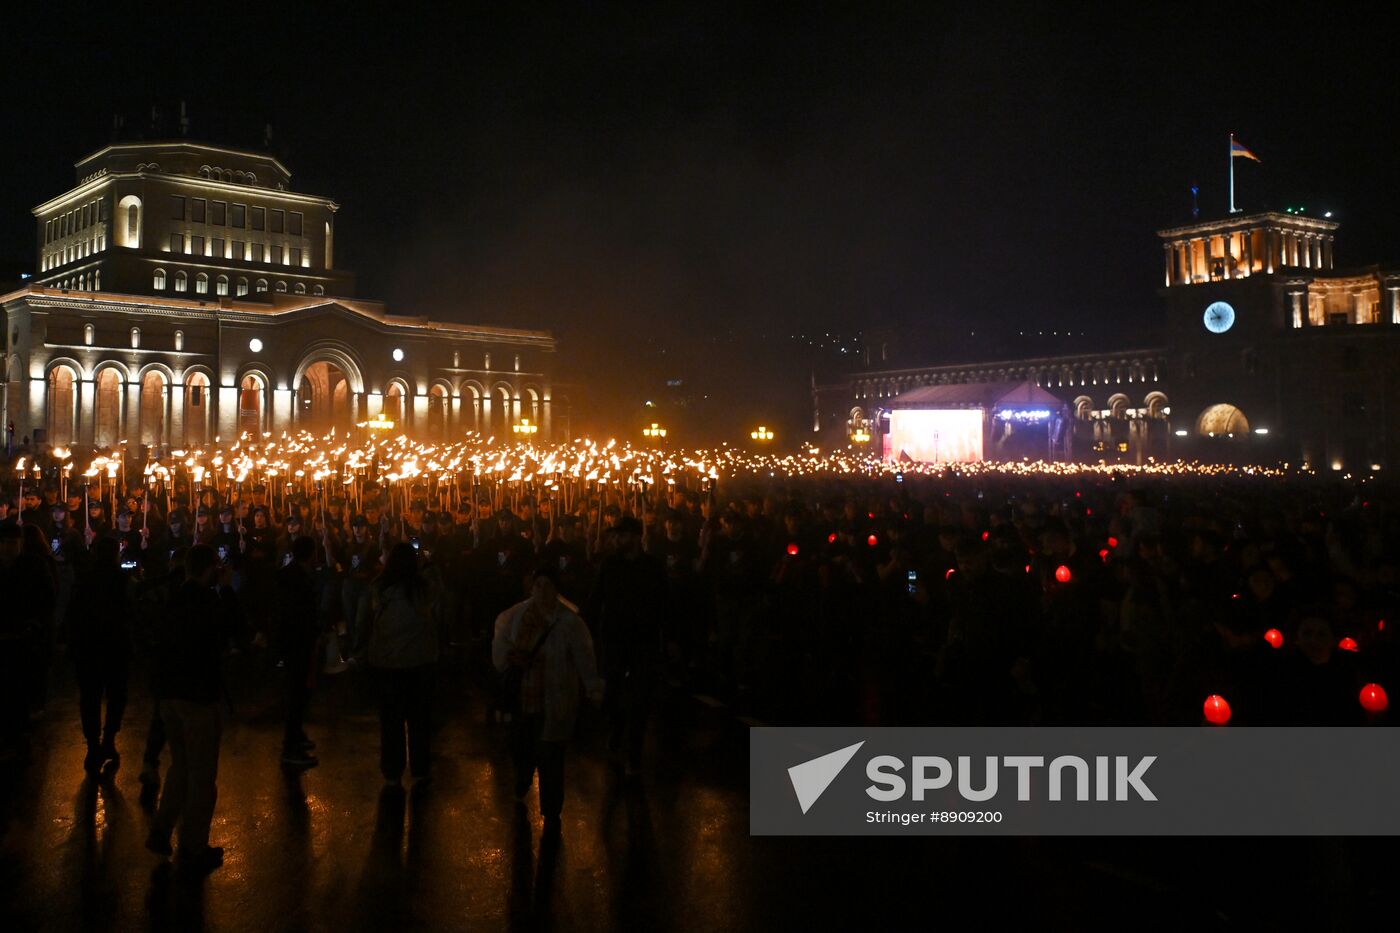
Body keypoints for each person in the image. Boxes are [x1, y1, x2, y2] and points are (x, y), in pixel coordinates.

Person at [146, 545, 238, 875]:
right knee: (201, 776)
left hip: (170, 694)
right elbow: (230, 627)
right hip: (198, 695)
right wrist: (227, 589)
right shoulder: (206, 601)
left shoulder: (172, 599)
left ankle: (161, 827)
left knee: (180, 766)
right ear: (210, 569)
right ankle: (193, 845)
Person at [493, 565, 604, 831]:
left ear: (557, 590)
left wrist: (592, 686)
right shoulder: (517, 616)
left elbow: (584, 657)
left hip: (556, 700)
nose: (543, 591)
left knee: (552, 756)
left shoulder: (569, 622)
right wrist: (509, 658)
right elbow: (501, 642)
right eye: (538, 585)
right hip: (524, 699)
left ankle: (552, 810)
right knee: (522, 747)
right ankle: (522, 776)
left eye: (548, 586)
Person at [585, 516, 667, 776]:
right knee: (612, 694)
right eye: (615, 536)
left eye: (621, 536)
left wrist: (671, 638)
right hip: (615, 642)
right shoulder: (610, 566)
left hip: (644, 642)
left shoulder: (653, 567)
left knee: (641, 700)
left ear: (634, 537)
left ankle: (633, 753)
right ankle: (617, 728)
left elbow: (666, 604)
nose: (616, 540)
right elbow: (595, 599)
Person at [360, 543, 439, 787]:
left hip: (388, 663)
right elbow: (438, 592)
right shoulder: (423, 590)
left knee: (391, 720)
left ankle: (392, 771)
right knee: (419, 719)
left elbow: (368, 619)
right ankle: (420, 768)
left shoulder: (379, 589)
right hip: (418, 662)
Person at [68, 537, 133, 773]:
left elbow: (73, 612)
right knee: (116, 695)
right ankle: (108, 739)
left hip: (89, 648)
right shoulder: (120, 579)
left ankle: (94, 744)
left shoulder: (84, 579)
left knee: (90, 697)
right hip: (115, 647)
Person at [276, 535, 321, 769]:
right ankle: (290, 746)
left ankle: (297, 736)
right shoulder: (297, 579)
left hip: (296, 641)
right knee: (297, 692)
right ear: (311, 554)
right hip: (297, 642)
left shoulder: (292, 573)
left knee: (301, 692)